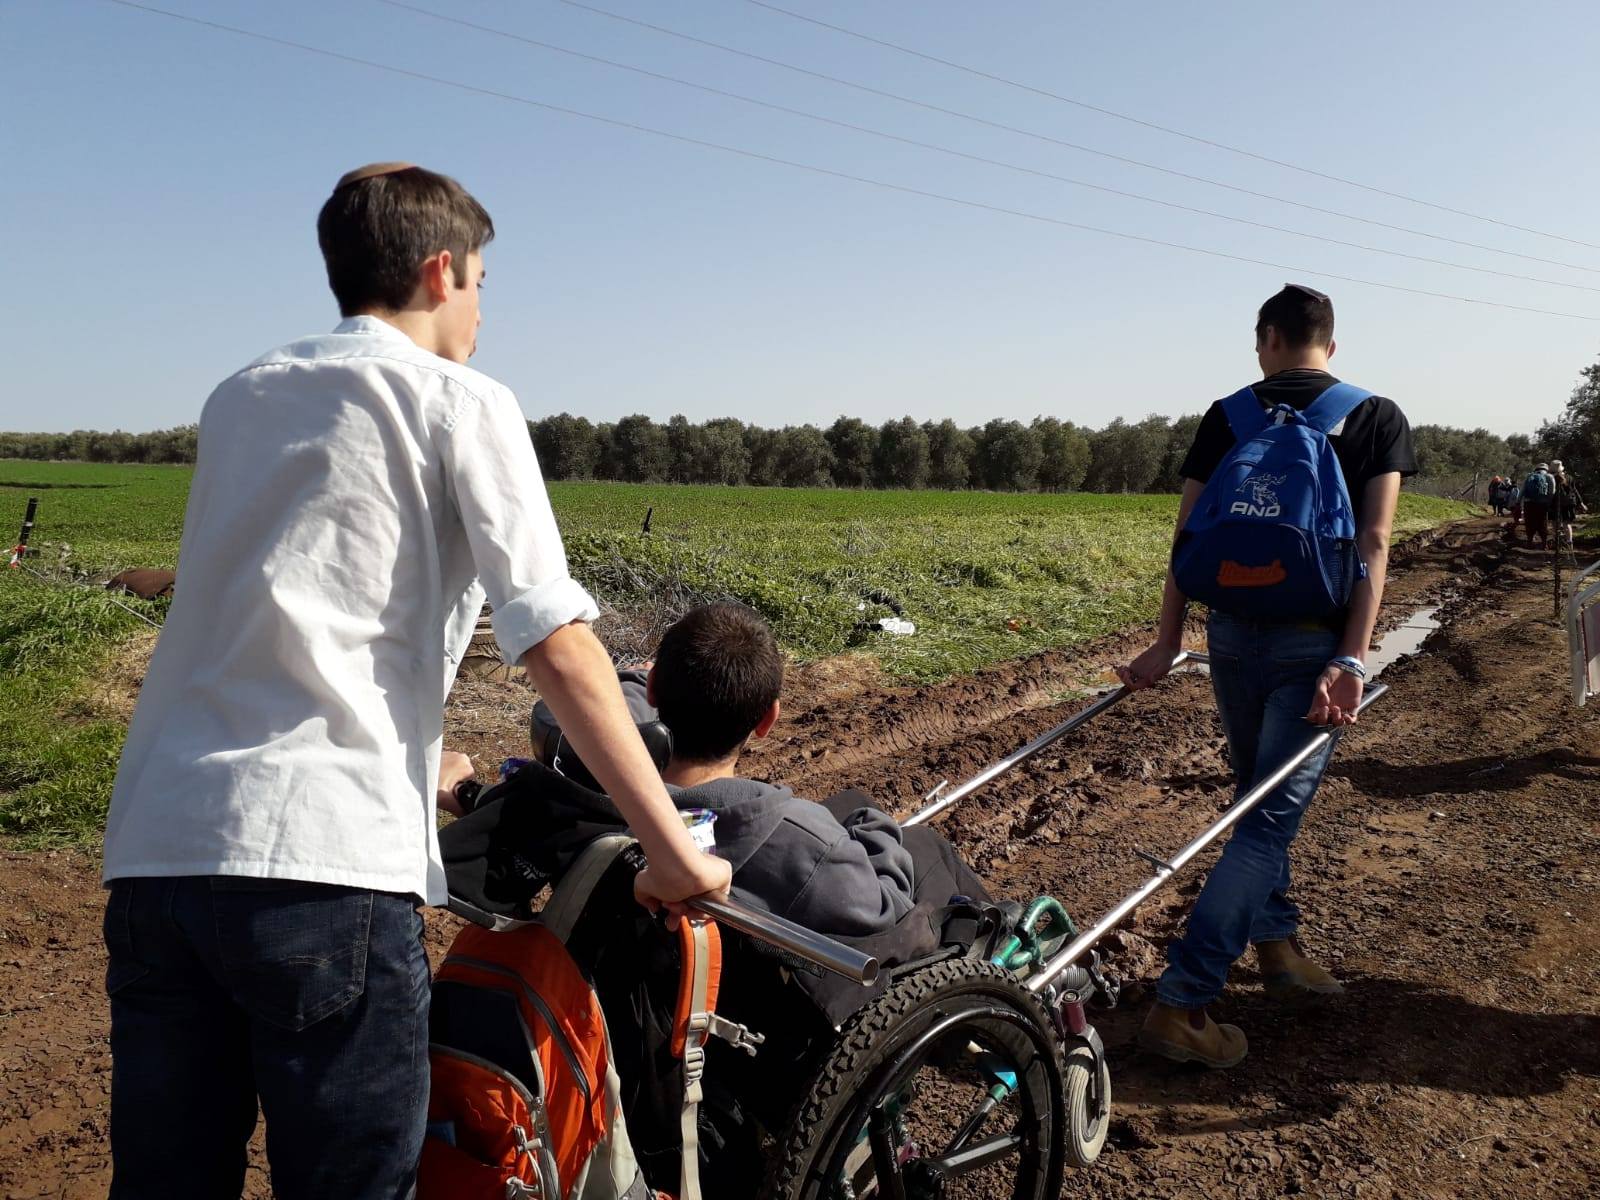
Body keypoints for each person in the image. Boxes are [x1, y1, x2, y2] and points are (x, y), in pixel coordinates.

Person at [98, 163, 729, 1200]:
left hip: (161, 850)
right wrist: (672, 851)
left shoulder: (243, 394)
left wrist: (423, 750)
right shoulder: (460, 401)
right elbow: (557, 641)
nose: (484, 307)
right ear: (442, 273)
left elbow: (286, 602)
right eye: (483, 281)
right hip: (324, 868)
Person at [1117, 283, 1415, 1068]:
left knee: (1254, 801)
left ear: (1266, 340)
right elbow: (1374, 545)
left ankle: (1276, 950)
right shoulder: (1375, 416)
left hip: (1231, 638)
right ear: (1331, 344)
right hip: (1313, 643)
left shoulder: (1228, 415)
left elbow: (1187, 538)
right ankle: (1183, 1002)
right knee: (1265, 822)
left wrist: (1167, 640)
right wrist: (1352, 657)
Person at [1552, 460, 1587, 548]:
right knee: (1566, 524)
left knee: (1555, 523)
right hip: (1569, 503)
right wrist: (1581, 503)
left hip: (1556, 503)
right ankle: (1569, 542)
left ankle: (1557, 542)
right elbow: (1575, 491)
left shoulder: (1552, 477)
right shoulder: (1569, 477)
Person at [1523, 462, 1556, 546]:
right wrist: (1549, 504)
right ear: (1546, 469)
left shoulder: (1529, 475)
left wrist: (1517, 502)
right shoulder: (1549, 476)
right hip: (1542, 504)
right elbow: (1551, 492)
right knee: (1542, 523)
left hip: (1528, 503)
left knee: (1529, 522)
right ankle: (1544, 544)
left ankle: (1529, 542)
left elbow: (1523, 490)